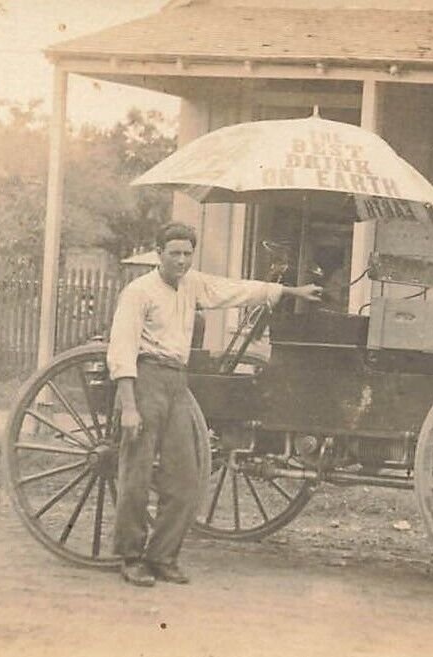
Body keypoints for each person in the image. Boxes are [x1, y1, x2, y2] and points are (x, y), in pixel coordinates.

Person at [107, 222, 323, 587]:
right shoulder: (138, 292)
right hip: (144, 380)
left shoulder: (192, 284)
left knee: (186, 477)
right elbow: (122, 349)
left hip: (178, 383)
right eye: (174, 252)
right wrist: (129, 406)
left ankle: (162, 557)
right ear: (158, 253)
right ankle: (131, 558)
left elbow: (234, 290)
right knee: (138, 475)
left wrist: (289, 290)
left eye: (187, 253)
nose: (181, 260)